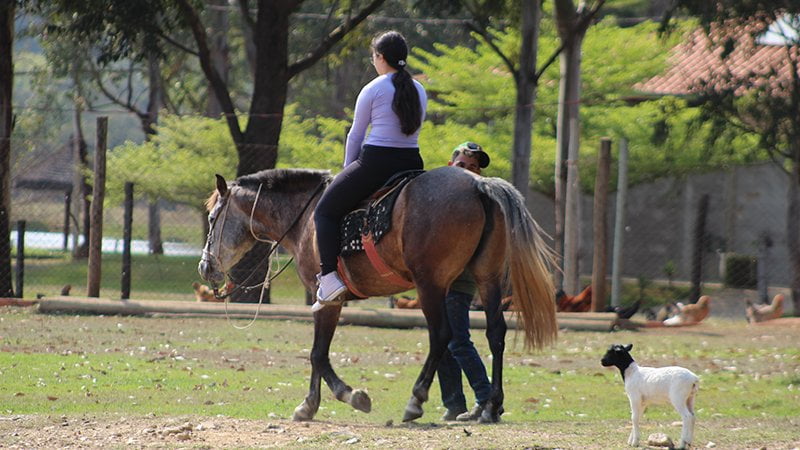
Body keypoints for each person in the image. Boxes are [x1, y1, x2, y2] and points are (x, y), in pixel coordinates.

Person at [313, 31, 427, 311]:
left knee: (324, 211)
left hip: (376, 163)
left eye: (374, 56)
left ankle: (328, 277)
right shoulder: (419, 89)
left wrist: (347, 170)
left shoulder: (374, 88)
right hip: (413, 162)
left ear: (380, 57)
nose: (373, 61)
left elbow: (356, 135)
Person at [438, 142, 495, 422]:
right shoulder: (436, 198)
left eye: (474, 168)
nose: (468, 172)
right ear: (450, 167)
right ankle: (454, 404)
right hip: (437, 283)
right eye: (462, 166)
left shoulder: (476, 205)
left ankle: (486, 400)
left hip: (457, 283)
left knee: (458, 342)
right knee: (442, 343)